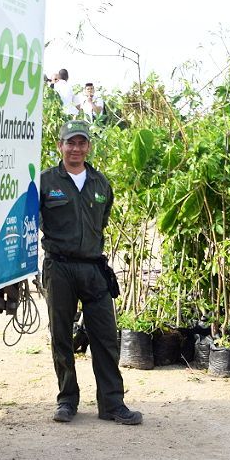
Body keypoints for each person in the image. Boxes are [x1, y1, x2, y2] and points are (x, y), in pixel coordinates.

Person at [39, 119, 142, 425]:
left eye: (81, 143)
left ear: (88, 147)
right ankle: (67, 401)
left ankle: (112, 404)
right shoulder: (46, 182)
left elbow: (103, 220)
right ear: (60, 146)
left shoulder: (100, 183)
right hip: (59, 267)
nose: (76, 149)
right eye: (70, 143)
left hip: (93, 268)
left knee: (106, 337)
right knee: (61, 335)